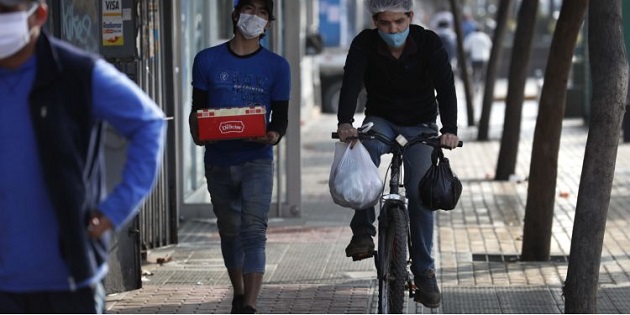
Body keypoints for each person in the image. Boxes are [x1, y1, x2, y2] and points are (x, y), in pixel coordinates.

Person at [0, 0, 166, 313]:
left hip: (69, 278)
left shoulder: (76, 72)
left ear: (38, 14)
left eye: (5, 11)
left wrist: (116, 208)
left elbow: (149, 123)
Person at [335, 0, 460, 309]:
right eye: (385, 24)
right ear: (375, 21)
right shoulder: (364, 43)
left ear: (410, 18)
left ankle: (424, 271)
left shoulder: (429, 42)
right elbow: (351, 81)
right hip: (382, 120)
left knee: (421, 194)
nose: (392, 30)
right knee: (363, 159)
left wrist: (450, 128)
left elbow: (445, 86)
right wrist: (345, 123)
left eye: (399, 23)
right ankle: (363, 231)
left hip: (421, 124)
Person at [188, 0, 290, 313]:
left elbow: (280, 118)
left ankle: (249, 305)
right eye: (249, 9)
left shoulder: (277, 66)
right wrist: (198, 132)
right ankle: (239, 292)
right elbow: (198, 111)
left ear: (268, 24)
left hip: (257, 159)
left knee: (254, 230)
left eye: (262, 13)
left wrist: (272, 135)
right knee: (229, 230)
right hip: (218, 159)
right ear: (235, 15)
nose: (254, 17)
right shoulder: (207, 60)